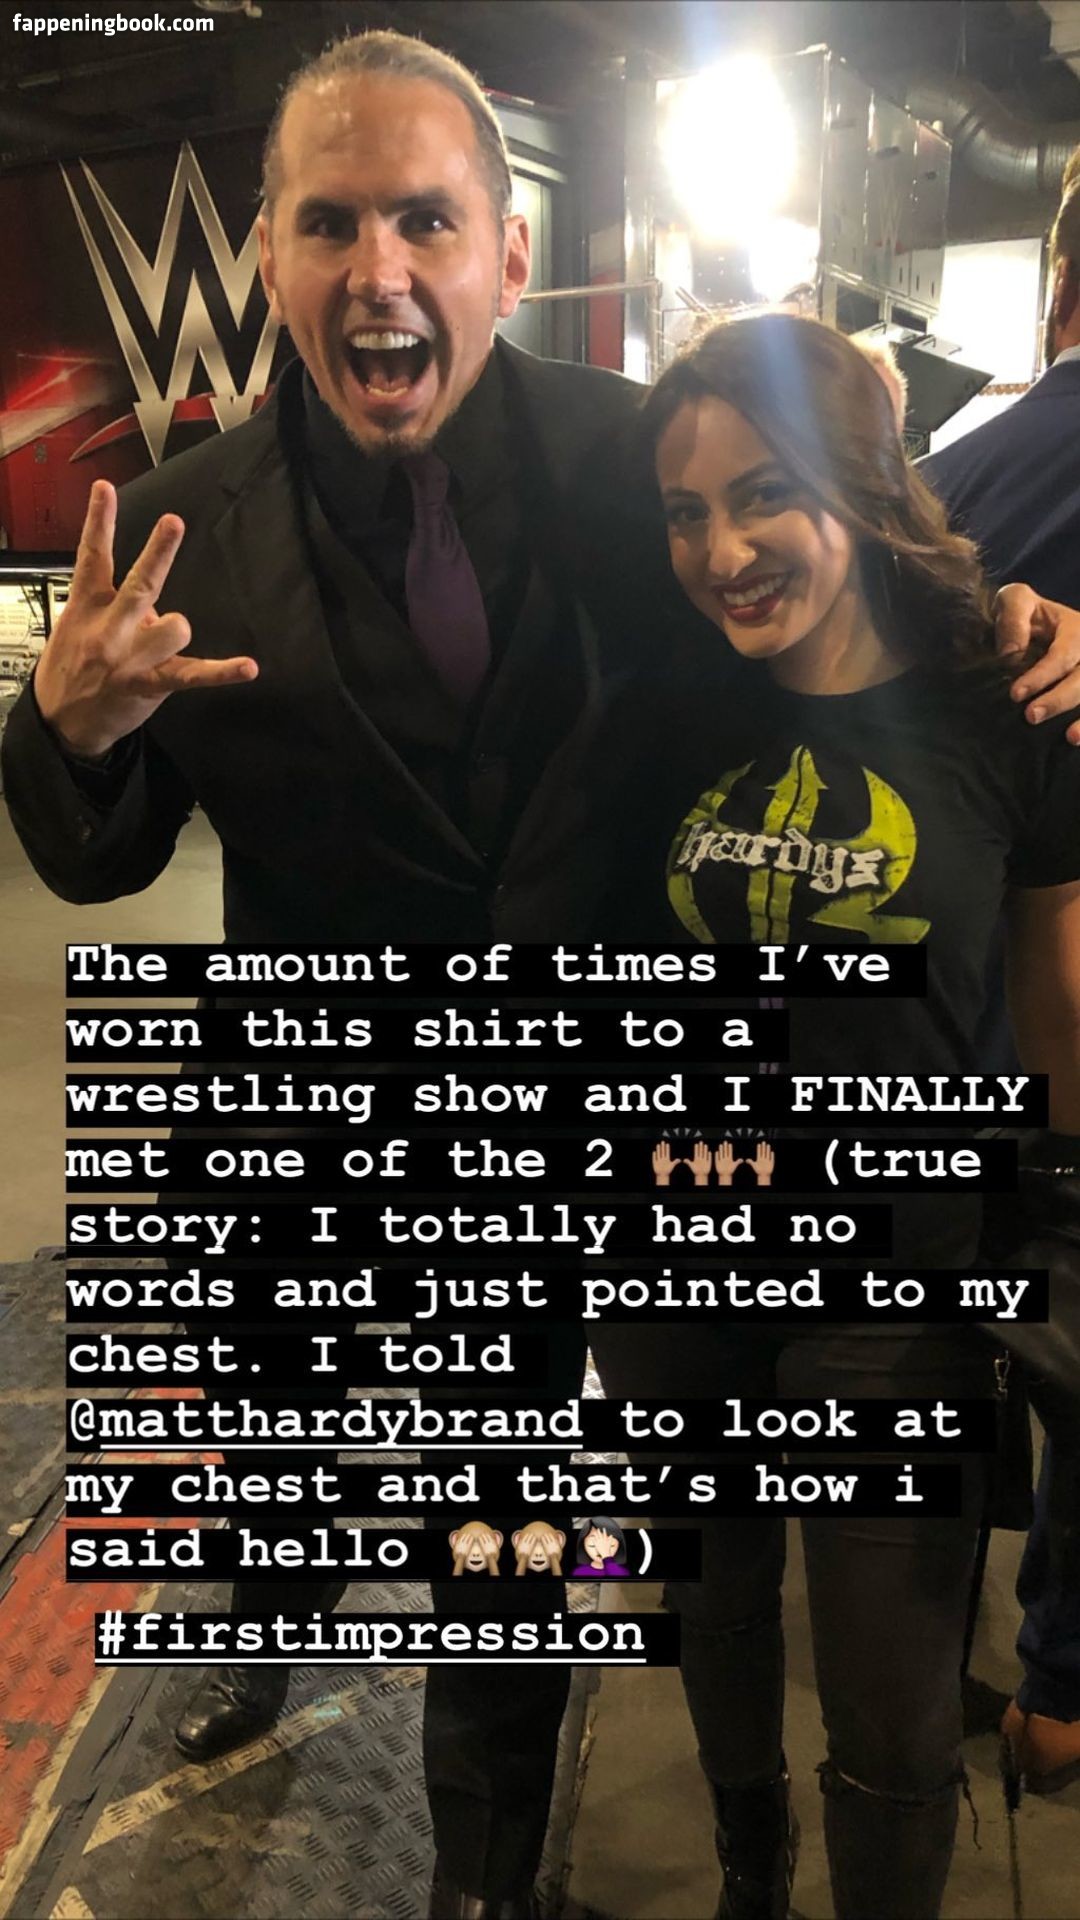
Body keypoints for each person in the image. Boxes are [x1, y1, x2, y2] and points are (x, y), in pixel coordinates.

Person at [3, 24, 1080, 1919]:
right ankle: (273, 1606)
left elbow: (825, 589)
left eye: (427, 219)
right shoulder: (190, 521)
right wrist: (68, 729)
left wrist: (1009, 624)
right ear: (269, 254)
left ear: (509, 252)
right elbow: (98, 853)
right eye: (331, 222)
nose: (381, 268)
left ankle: (486, 1879)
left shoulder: (636, 461)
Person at [587, 311, 1080, 1920]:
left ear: (860, 488)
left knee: (894, 1710)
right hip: (677, 1259)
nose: (722, 552)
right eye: (686, 512)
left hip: (901, 1287)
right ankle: (750, 1873)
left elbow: (1062, 1020)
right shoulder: (658, 707)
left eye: (763, 496)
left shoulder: (1007, 702)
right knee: (713, 1609)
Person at [921, 161, 1080, 1796]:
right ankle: (1061, 1686)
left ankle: (967, 1661)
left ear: (1056, 290)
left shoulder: (948, 478)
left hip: (959, 1016)